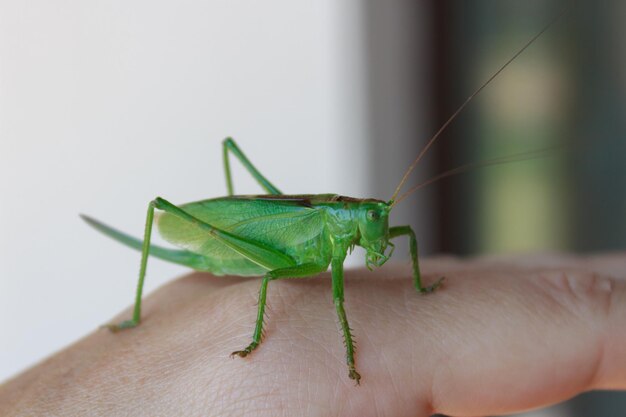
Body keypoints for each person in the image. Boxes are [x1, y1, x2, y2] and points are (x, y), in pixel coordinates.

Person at [1, 253, 624, 416]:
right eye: (371, 222)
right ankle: (137, 311)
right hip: (263, 242)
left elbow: (398, 242)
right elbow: (281, 279)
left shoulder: (383, 231)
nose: (382, 230)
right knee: (288, 280)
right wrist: (261, 343)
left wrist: (420, 286)